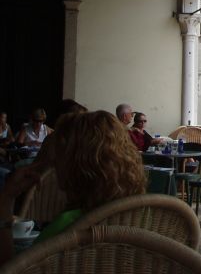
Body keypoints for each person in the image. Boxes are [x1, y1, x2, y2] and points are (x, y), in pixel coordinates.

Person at [0, 110, 147, 267]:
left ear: (73, 164)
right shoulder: (146, 215)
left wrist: (6, 199)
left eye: (59, 156)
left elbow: (12, 268)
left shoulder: (68, 228)